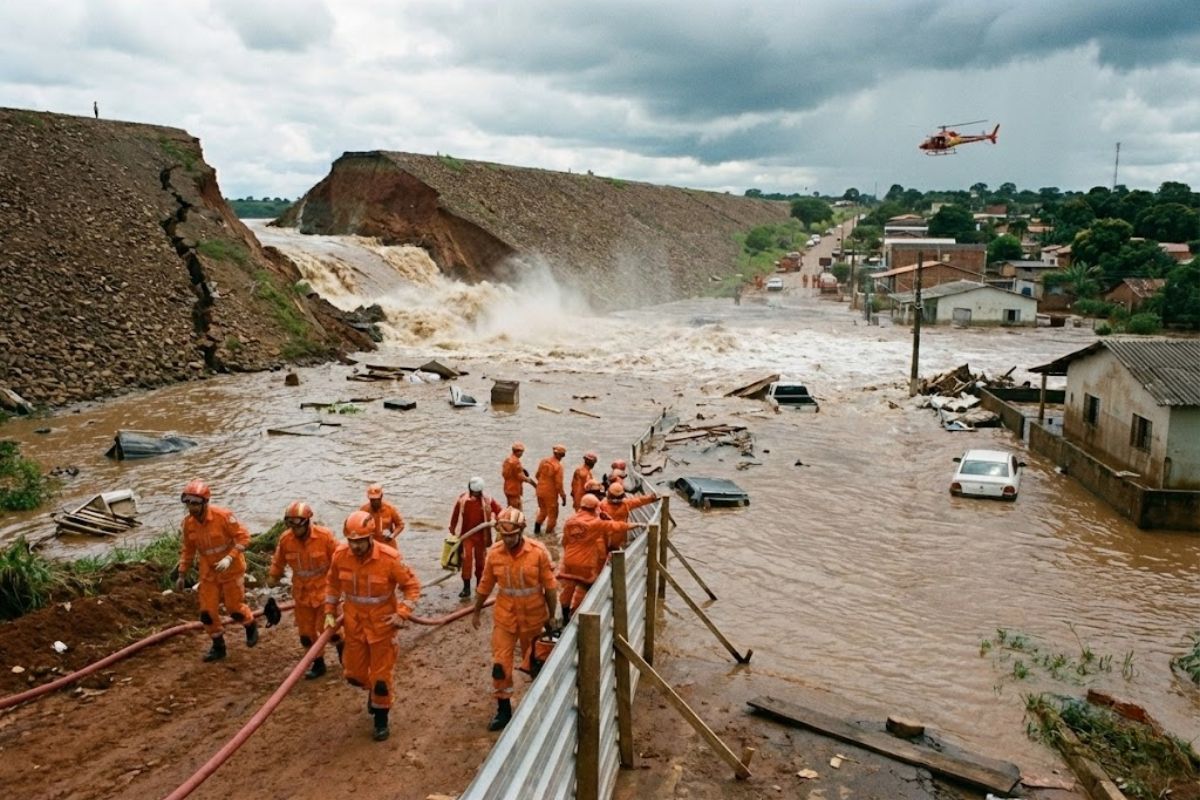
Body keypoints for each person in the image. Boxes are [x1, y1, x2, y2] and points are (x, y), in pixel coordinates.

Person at [324, 510, 421, 741]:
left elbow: (412, 587)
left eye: (360, 542)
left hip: (382, 627)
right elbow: (332, 584)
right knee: (353, 674)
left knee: (381, 678)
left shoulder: (389, 559)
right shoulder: (340, 555)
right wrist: (329, 612)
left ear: (370, 538)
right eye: (352, 541)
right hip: (353, 625)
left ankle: (380, 719)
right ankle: (374, 695)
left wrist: (403, 613)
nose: (355, 547)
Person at [471, 507, 557, 732]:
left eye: (511, 535)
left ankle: (540, 705)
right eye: (504, 535)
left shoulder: (538, 552)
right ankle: (503, 710)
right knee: (500, 665)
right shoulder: (495, 554)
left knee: (536, 663)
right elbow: (485, 584)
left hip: (533, 617)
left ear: (520, 531)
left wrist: (552, 617)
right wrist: (477, 610)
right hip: (505, 617)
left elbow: (550, 587)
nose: (508, 539)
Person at [175, 479, 257, 662]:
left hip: (231, 570)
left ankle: (250, 624)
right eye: (187, 503)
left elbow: (244, 538)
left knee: (234, 608)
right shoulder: (188, 524)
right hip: (209, 572)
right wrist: (182, 573)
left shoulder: (223, 517)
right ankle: (218, 645)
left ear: (205, 502)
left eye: (195, 503)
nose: (191, 507)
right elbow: (188, 549)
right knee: (207, 612)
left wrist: (230, 557)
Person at [267, 501, 338, 679]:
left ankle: (343, 650)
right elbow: (278, 561)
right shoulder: (286, 539)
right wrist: (272, 578)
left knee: (329, 631)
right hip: (302, 594)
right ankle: (318, 663)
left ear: (307, 522)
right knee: (306, 634)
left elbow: (340, 559)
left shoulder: (325, 536)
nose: (293, 528)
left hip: (325, 591)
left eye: (296, 523)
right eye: (289, 523)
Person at [557, 495, 643, 625]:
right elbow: (616, 526)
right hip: (585, 562)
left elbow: (564, 542)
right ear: (594, 508)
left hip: (568, 560)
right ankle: (575, 616)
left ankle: (564, 617)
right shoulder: (596, 523)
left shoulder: (570, 521)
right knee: (584, 589)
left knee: (568, 588)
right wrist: (637, 524)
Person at [448, 477, 502, 599]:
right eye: (474, 492)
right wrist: (452, 528)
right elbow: (455, 514)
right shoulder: (462, 500)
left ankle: (480, 586)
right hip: (466, 536)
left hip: (482, 536)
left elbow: (499, 511)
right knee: (466, 559)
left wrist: (498, 522)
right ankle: (466, 587)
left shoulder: (488, 500)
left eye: (478, 492)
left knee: (481, 562)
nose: (476, 494)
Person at [598, 481, 658, 551]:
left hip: (620, 536)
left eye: (617, 497)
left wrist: (651, 498)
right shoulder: (602, 505)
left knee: (616, 552)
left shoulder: (625, 503)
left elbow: (639, 501)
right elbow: (638, 501)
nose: (616, 500)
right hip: (607, 537)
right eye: (614, 497)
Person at [534, 444, 567, 536]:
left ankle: (536, 532)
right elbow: (559, 485)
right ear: (562, 455)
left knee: (542, 511)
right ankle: (549, 537)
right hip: (550, 494)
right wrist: (563, 496)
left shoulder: (543, 461)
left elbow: (537, 475)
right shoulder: (558, 467)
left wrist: (543, 484)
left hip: (539, 491)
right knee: (553, 515)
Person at [501, 441, 536, 509]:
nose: (522, 454)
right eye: (522, 452)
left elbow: (507, 472)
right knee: (517, 511)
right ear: (518, 452)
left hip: (507, 488)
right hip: (514, 490)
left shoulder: (508, 460)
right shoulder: (516, 462)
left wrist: (522, 469)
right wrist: (534, 484)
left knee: (510, 508)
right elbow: (522, 477)